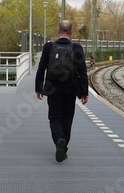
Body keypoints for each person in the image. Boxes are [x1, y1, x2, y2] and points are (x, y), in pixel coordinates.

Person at [35, 20, 89, 162]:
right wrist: (84, 92)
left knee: (54, 118)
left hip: (52, 89)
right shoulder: (77, 47)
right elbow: (83, 71)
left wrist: (39, 88)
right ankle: (63, 147)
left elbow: (41, 68)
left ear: (58, 31)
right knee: (67, 119)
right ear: (71, 32)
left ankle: (59, 139)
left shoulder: (49, 46)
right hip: (71, 89)